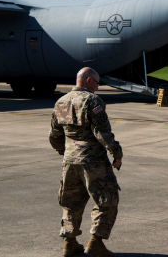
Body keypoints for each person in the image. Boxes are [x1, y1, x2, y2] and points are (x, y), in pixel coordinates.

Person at [49, 67, 123, 257]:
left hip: (70, 160)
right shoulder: (92, 101)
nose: (98, 87)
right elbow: (102, 133)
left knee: (71, 202)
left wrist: (66, 153)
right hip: (93, 161)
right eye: (97, 83)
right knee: (107, 198)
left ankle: (69, 243)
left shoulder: (61, 102)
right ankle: (95, 243)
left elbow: (54, 135)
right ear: (89, 80)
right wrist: (116, 152)